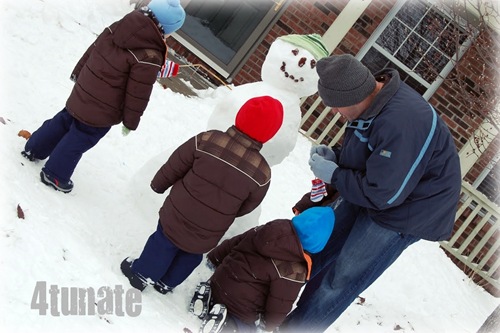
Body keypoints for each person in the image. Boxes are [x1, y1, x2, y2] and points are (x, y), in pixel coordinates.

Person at [280, 54, 462, 332]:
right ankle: (271, 303)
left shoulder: (403, 121)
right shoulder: (373, 103)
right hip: (379, 189)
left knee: (340, 278)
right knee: (320, 248)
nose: (334, 113)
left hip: (405, 212)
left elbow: (384, 195)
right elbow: (375, 158)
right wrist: (337, 159)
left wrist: (335, 175)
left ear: (353, 96)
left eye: (336, 107)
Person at [120, 96, 284, 295]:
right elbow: (249, 205)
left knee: (164, 242)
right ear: (269, 134)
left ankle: (142, 275)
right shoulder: (262, 172)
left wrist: (158, 184)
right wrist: (226, 212)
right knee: (191, 253)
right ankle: (167, 283)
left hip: (179, 210)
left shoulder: (208, 139)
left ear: (241, 116)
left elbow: (176, 164)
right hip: (212, 227)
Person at [21, 0, 185, 193]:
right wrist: (130, 121)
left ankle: (34, 148)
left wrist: (78, 72)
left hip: (84, 88)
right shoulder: (151, 55)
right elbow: (138, 92)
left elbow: (94, 49)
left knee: (65, 120)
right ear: (166, 28)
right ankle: (54, 175)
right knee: (80, 137)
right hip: (103, 109)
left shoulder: (121, 26)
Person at [189, 206, 335, 333]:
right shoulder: (295, 269)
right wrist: (269, 325)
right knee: (247, 328)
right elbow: (280, 303)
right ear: (318, 243)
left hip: (220, 280)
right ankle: (227, 325)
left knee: (225, 290)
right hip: (240, 307)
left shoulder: (269, 229)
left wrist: (215, 258)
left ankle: (208, 300)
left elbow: (236, 241)